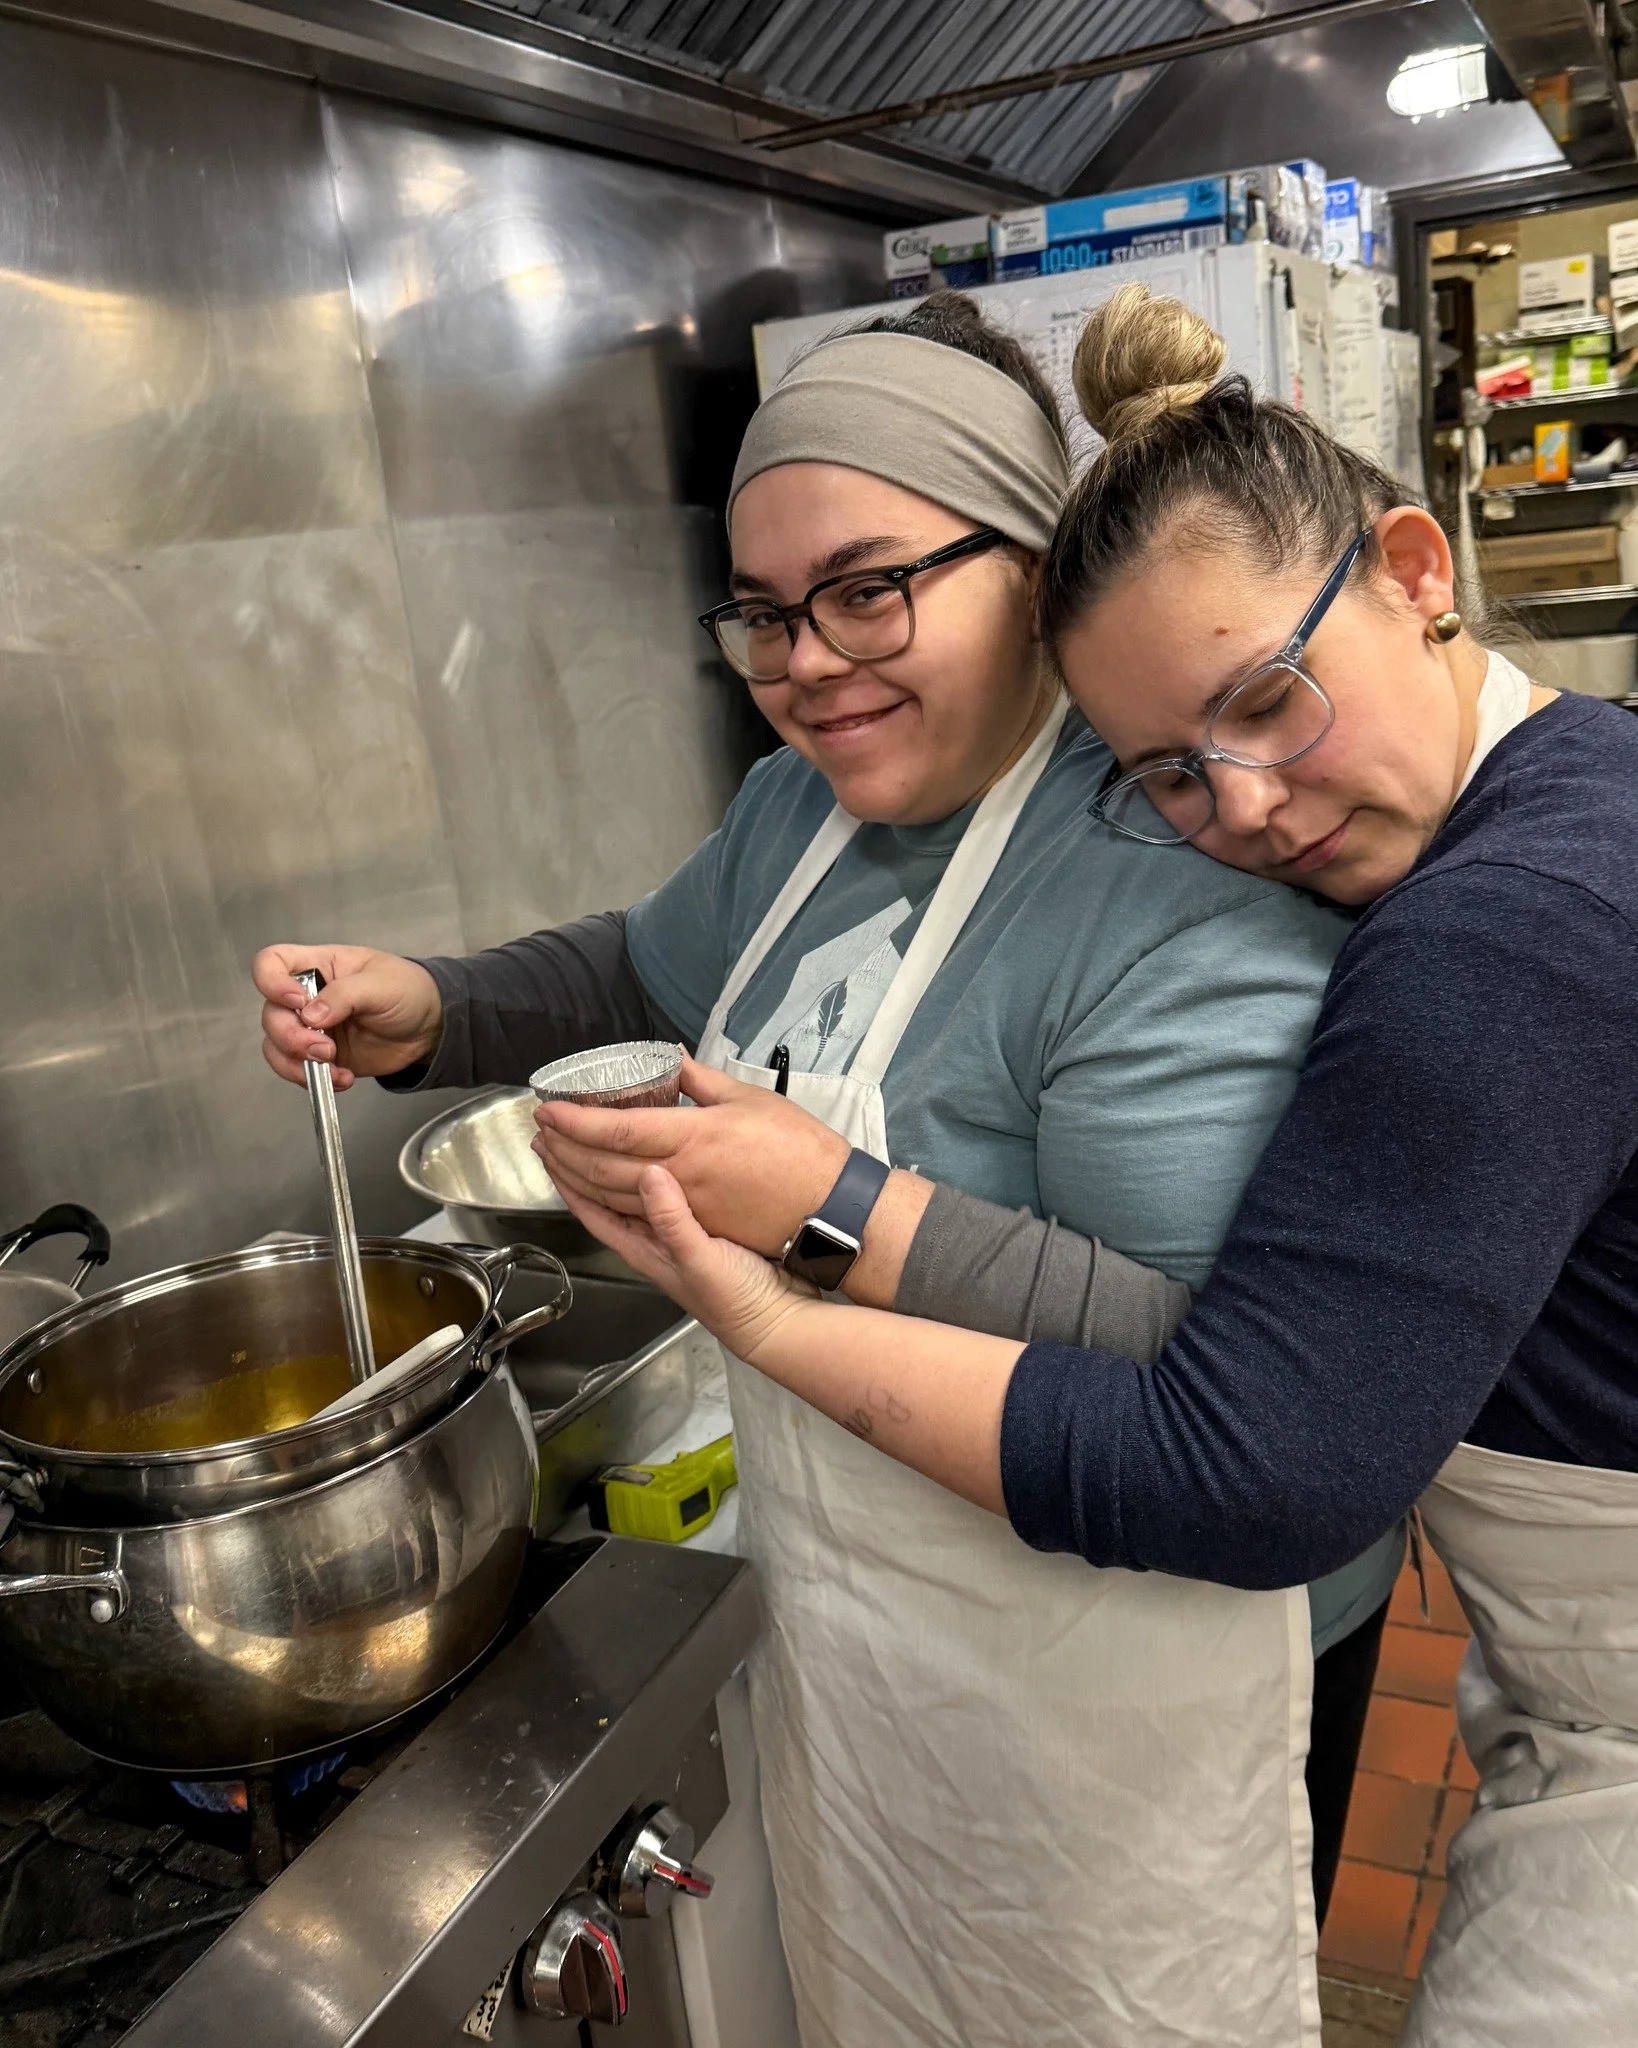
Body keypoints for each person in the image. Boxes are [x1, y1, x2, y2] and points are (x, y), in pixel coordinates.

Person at [256, 293, 1397, 2047]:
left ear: (1034, 567)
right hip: (887, 1615)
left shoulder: (1175, 861)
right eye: (765, 614)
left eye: (871, 591)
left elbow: (1205, 1376)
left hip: (1153, 1649)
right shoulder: (806, 808)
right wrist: (439, 1004)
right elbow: (652, 963)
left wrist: (827, 1209)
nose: (806, 663)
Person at [541, 284, 1638, 2048]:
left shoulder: (1497, 931)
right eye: (1172, 772)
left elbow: (1248, 1459)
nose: (1246, 811)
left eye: (1270, 700)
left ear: (1414, 570)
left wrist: (787, 1278)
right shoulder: (1560, 785)